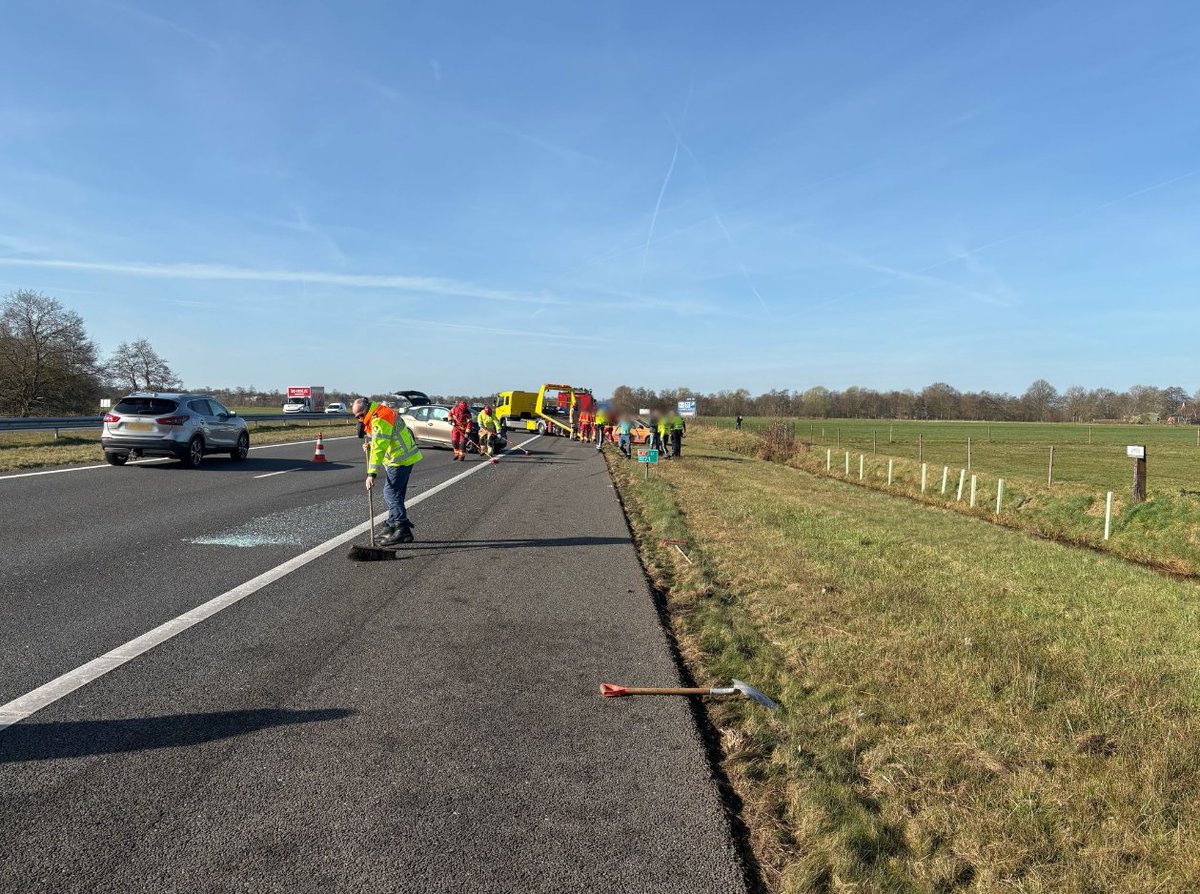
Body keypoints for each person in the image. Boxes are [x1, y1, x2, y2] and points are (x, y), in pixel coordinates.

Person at [354, 397, 423, 545]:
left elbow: (380, 446)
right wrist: (371, 445)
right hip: (403, 458)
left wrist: (371, 473)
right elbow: (385, 438)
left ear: (365, 410)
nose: (359, 420)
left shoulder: (379, 418)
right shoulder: (378, 413)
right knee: (396, 494)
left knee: (390, 493)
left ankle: (401, 527)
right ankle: (391, 526)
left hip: (399, 460)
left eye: (360, 416)